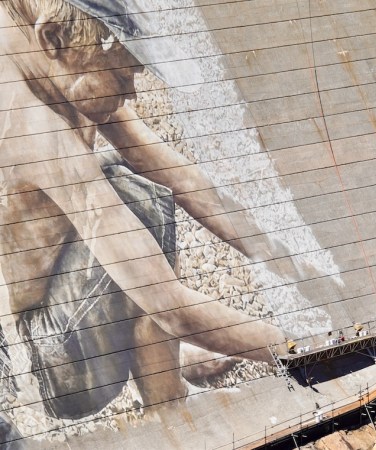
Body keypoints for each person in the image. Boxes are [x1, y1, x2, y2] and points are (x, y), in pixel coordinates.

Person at [0, 0, 289, 421]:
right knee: (135, 203)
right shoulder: (31, 127)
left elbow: (174, 172)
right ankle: (170, 410)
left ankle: (164, 358)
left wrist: (285, 259)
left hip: (61, 304)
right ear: (54, 39)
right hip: (50, 363)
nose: (132, 93)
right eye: (122, 75)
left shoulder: (51, 56)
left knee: (124, 187)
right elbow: (170, 306)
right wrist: (300, 348)